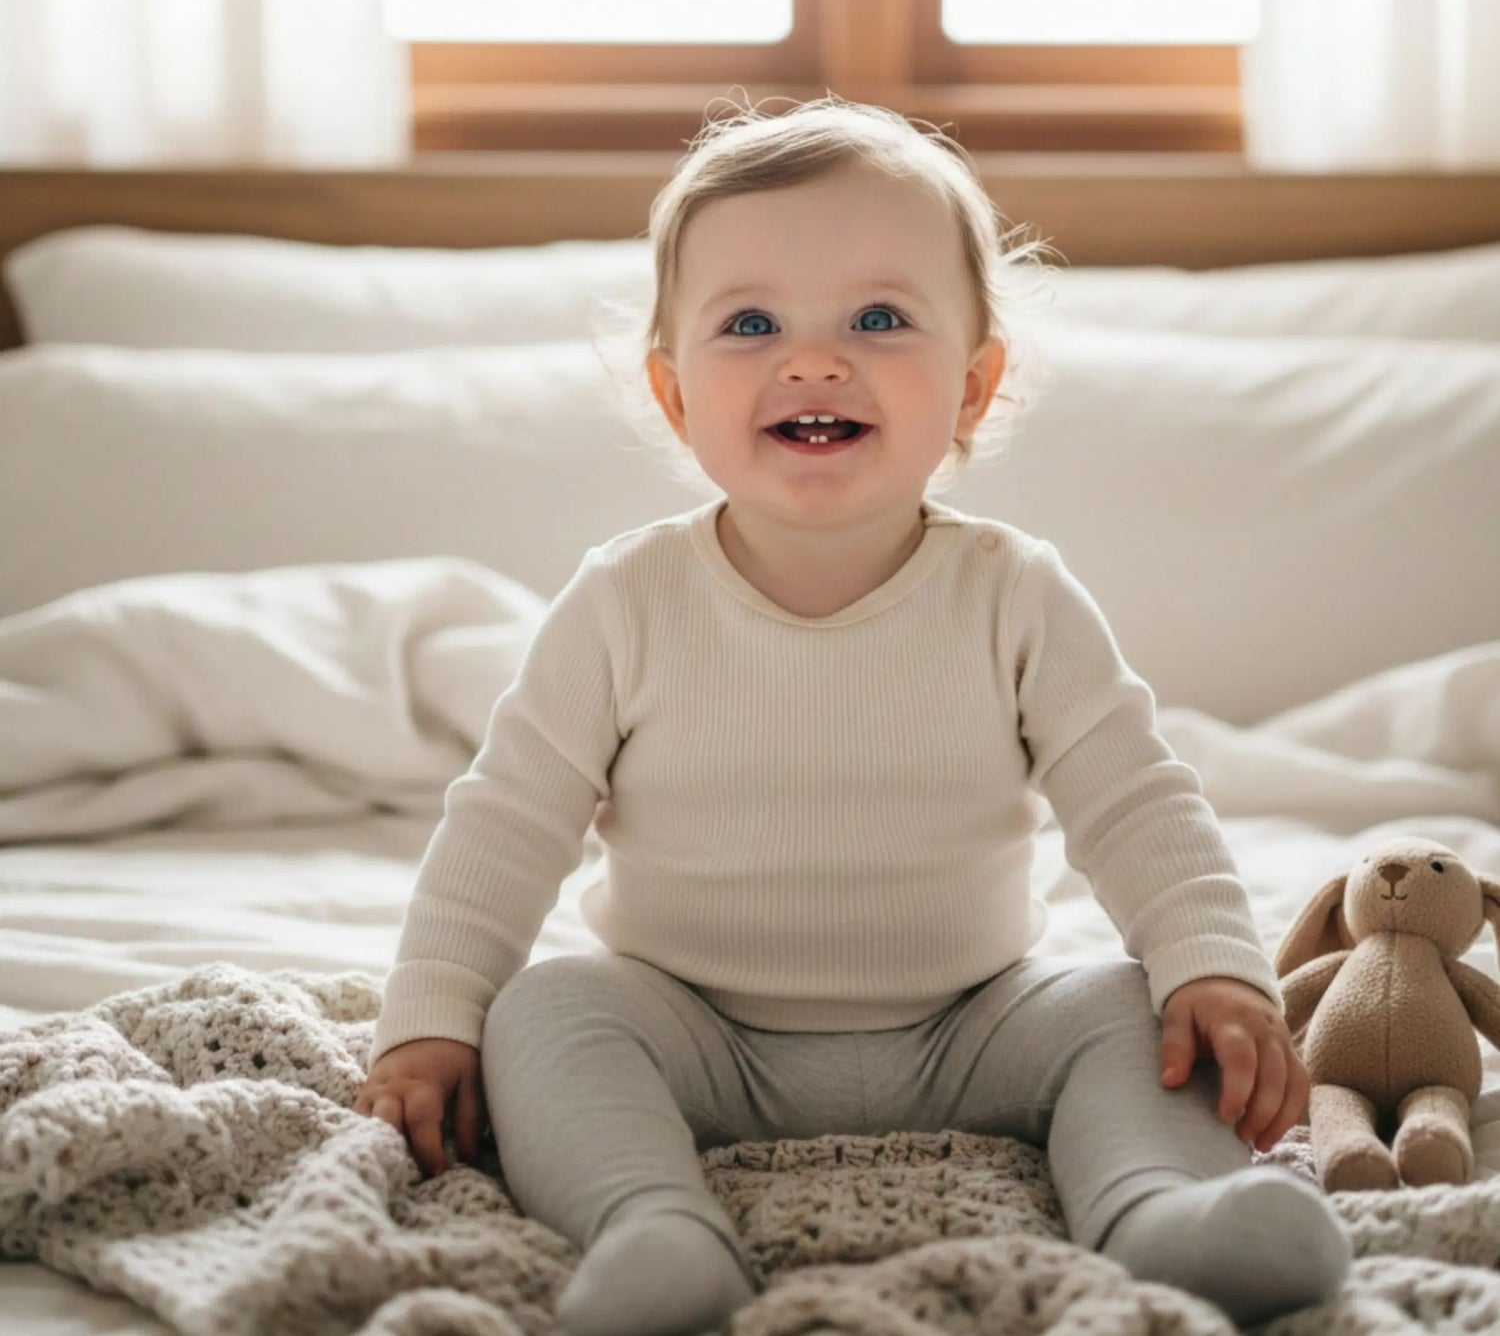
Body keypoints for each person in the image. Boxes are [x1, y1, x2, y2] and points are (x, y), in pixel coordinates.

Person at [356, 94, 1353, 1336]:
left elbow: (1136, 795)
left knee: (1127, 1009)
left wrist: (1217, 966)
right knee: (548, 1013)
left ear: (973, 386)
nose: (813, 360)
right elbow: (504, 823)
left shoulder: (1013, 592)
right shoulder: (627, 600)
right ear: (675, 398)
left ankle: (1163, 1216)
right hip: (693, 1020)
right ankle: (652, 1228)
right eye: (751, 323)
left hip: (977, 1019)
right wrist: (428, 1024)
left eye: (879, 319)